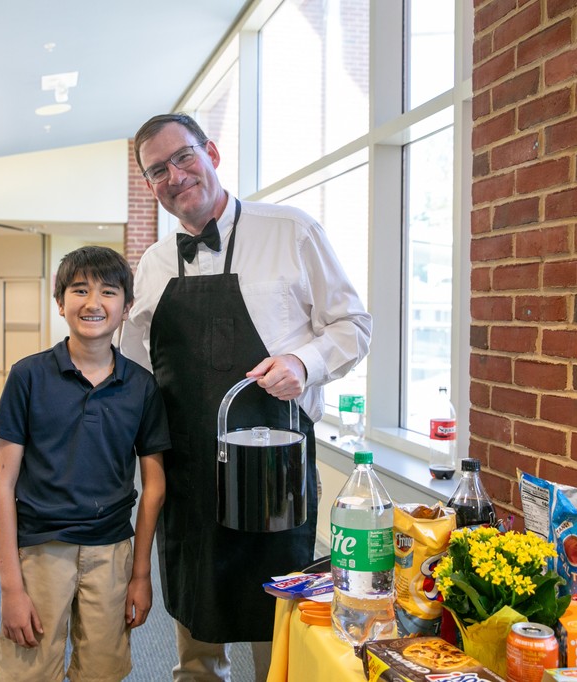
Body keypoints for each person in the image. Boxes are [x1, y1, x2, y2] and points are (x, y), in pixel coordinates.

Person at [120, 113, 372, 681]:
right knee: (197, 635)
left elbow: (353, 326)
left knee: (276, 634)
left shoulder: (291, 231)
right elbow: (134, 365)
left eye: (183, 157)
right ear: (150, 186)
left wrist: (302, 364)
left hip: (273, 472)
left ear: (210, 151)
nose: (175, 175)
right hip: (187, 476)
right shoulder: (156, 263)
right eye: (158, 170)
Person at [0, 245, 170, 682]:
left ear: (126, 308)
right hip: (40, 547)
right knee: (29, 670)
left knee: (103, 672)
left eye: (108, 292)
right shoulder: (28, 376)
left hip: (111, 549)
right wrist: (11, 587)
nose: (93, 303)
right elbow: (1, 485)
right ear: (59, 303)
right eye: (79, 290)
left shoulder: (141, 387)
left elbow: (155, 487)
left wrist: (141, 574)